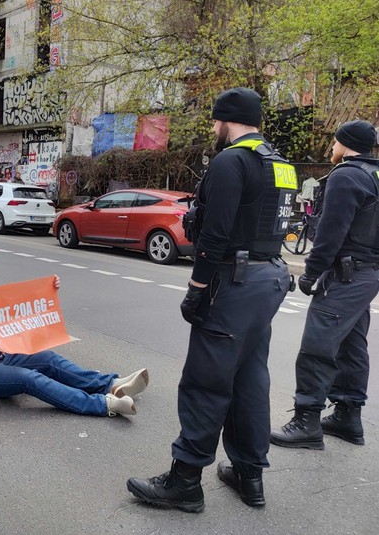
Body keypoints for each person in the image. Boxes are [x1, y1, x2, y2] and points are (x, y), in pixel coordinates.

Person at [126, 88, 295, 513]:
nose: (213, 129)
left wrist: (197, 289)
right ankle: (248, 474)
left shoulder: (230, 161)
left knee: (206, 381)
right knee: (249, 378)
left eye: (215, 121)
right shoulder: (281, 164)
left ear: (226, 120)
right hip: (270, 278)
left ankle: (185, 482)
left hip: (232, 284)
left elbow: (216, 234)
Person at [0, 249, 146, 417]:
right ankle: (104, 404)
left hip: (1, 355)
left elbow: (24, 306)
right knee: (28, 379)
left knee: (49, 358)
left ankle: (111, 384)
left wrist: (49, 289)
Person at [270, 120, 379, 451]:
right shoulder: (374, 175)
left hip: (345, 275)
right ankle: (348, 416)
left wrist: (310, 274)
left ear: (345, 144)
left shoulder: (347, 176)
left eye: (334, 142)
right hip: (367, 273)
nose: (331, 147)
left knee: (317, 346)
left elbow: (332, 232)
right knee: (351, 344)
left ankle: (307, 421)